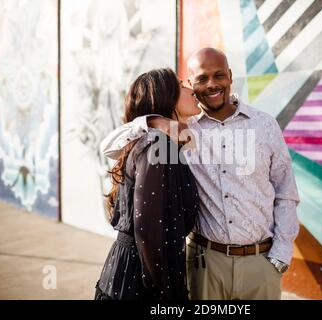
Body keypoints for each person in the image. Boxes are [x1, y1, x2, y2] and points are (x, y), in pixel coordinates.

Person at [101, 48, 300, 300]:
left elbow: (286, 191)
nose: (212, 84)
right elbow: (109, 147)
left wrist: (281, 253)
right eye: (202, 78)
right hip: (204, 264)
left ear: (230, 75)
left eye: (219, 75)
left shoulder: (264, 125)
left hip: (260, 265)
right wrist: (153, 121)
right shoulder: (180, 130)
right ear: (190, 84)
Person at [94, 68, 201, 300]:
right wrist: (165, 292)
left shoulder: (162, 142)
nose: (191, 90)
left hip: (134, 271)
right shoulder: (158, 145)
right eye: (183, 85)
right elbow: (149, 231)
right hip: (140, 280)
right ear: (166, 97)